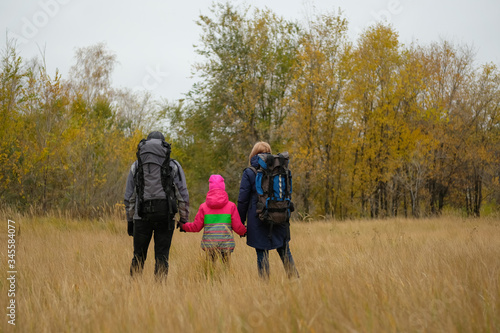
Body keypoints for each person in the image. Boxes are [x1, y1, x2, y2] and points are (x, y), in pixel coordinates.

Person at [124, 131, 189, 280]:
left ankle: (133, 291)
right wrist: (183, 218)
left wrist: (130, 220)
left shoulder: (136, 165)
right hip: (165, 216)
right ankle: (159, 293)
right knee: (162, 257)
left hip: (141, 216)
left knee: (138, 257)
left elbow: (129, 197)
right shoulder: (173, 165)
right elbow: (182, 194)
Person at [237, 141, 299, 279]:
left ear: (254, 154)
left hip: (258, 218)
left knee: (262, 254)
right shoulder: (280, 170)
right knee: (285, 251)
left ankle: (265, 287)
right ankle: (295, 281)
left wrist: (240, 222)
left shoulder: (250, 172)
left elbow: (242, 200)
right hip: (280, 216)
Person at [181, 175, 247, 265]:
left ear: (210, 188)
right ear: (223, 187)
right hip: (226, 245)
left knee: (210, 270)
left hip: (210, 245)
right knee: (225, 269)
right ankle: (226, 279)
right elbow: (237, 227)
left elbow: (196, 227)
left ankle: (211, 279)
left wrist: (184, 226)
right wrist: (244, 231)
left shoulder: (203, 207)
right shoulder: (231, 206)